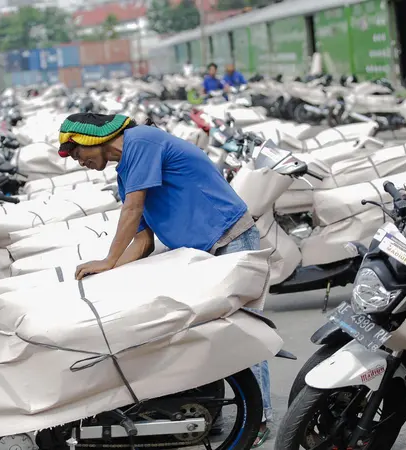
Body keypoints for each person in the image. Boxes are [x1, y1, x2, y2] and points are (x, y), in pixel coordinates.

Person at [57, 113, 273, 446]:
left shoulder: (142, 141)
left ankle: (259, 419)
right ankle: (212, 411)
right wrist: (108, 273)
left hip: (229, 237)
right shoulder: (126, 172)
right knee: (208, 333)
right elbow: (142, 240)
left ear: (91, 139)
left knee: (242, 331)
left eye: (76, 153)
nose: (78, 161)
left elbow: (133, 210)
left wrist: (108, 260)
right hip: (202, 251)